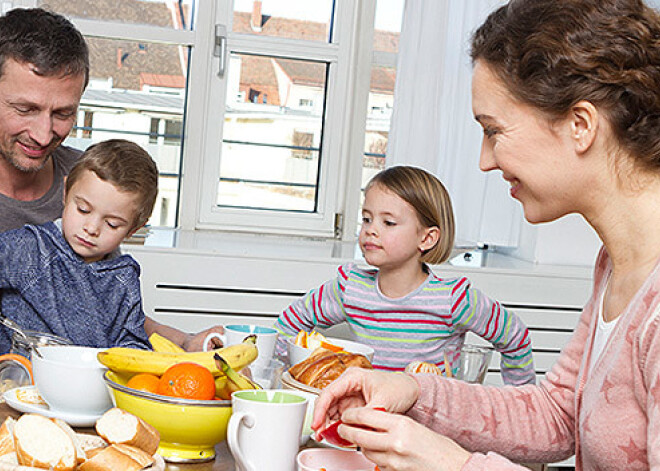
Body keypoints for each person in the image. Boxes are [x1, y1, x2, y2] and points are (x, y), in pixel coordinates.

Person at [311, 0, 660, 469]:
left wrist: (455, 465)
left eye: (493, 131)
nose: (485, 160)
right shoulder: (617, 262)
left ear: (581, 126)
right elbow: (559, 415)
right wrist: (413, 390)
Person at [0, 7, 223, 351]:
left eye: (63, 113)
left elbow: (100, 308)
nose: (44, 135)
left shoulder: (89, 178)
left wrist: (186, 341)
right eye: (26, 109)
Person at [275, 166, 535, 386]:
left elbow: (515, 337)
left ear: (426, 238)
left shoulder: (454, 299)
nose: (370, 230)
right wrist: (292, 374)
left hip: (430, 432)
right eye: (366, 219)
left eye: (388, 223)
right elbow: (288, 324)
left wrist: (520, 405)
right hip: (367, 420)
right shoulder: (350, 288)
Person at [0, 139, 157, 353]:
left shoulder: (123, 279)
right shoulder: (30, 248)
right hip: (19, 379)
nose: (91, 228)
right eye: (83, 209)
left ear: (133, 229)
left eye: (112, 224)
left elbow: (133, 342)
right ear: (65, 193)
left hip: (90, 383)